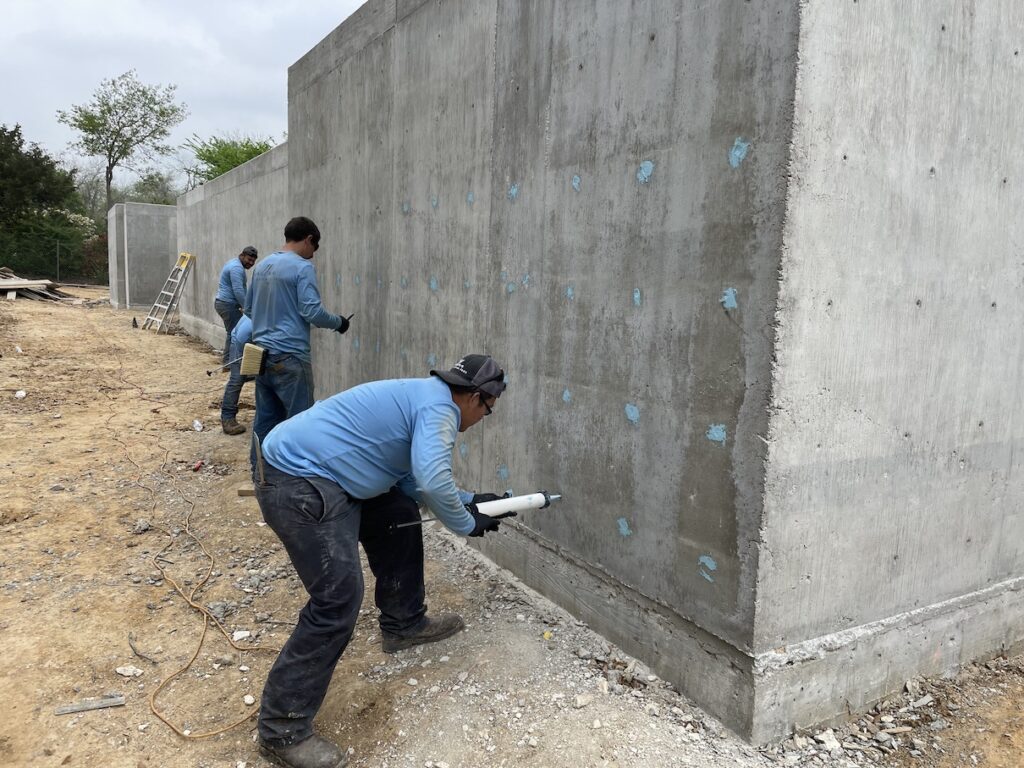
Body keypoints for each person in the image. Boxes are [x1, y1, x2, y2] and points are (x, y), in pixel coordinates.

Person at [253, 354, 512, 768]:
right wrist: (467, 524)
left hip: (322, 471)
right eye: (489, 410)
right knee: (337, 599)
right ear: (477, 398)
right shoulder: (440, 409)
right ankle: (282, 729)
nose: (484, 418)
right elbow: (431, 477)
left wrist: (472, 501)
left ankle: (403, 624)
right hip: (299, 480)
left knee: (397, 512)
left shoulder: (424, 395)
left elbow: (409, 479)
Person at [244, 217, 349, 465]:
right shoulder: (302, 268)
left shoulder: (262, 267)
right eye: (315, 247)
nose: (313, 255)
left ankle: (259, 475)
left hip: (260, 356)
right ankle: (298, 480)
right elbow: (312, 312)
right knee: (301, 423)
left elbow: (249, 310)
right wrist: (339, 322)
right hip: (290, 358)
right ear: (309, 239)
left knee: (265, 419)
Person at [214, 246, 258, 364]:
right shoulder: (236, 268)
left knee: (234, 332)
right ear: (242, 255)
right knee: (235, 333)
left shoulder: (233, 263)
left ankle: (230, 361)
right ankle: (229, 362)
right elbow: (238, 290)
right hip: (228, 304)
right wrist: (248, 309)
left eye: (253, 261)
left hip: (224, 303)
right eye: (249, 259)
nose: (251, 263)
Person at [220, 314, 254, 435]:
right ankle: (228, 418)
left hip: (244, 338)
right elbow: (242, 339)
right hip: (240, 342)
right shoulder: (253, 326)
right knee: (236, 379)